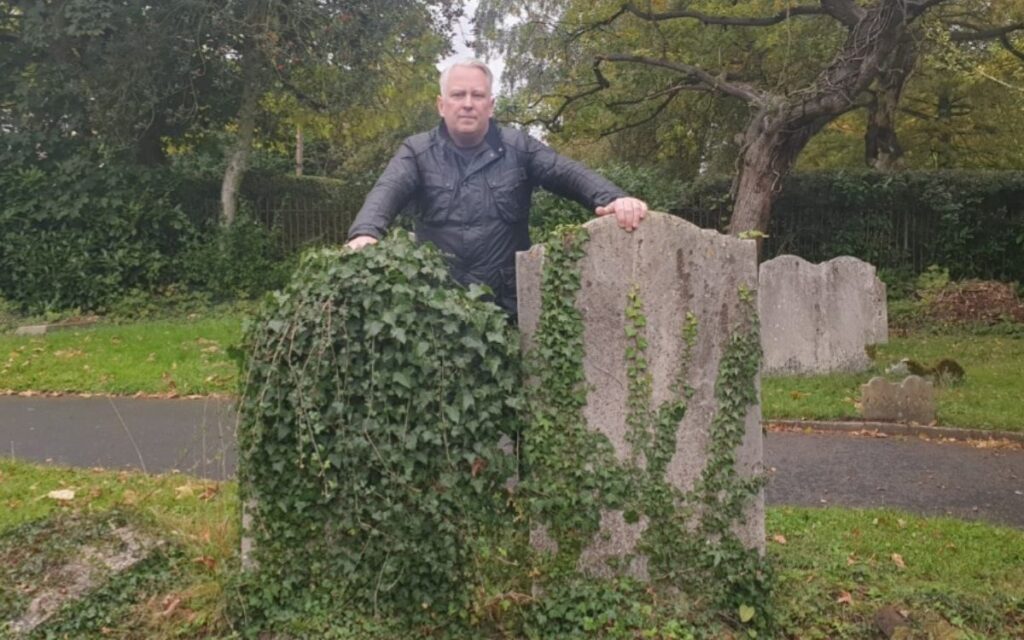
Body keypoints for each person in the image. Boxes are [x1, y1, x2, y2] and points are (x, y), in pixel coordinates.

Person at [346, 58, 648, 317]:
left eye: (477, 95)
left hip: (508, 309)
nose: (467, 103)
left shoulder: (518, 147)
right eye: (458, 94)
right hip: (437, 308)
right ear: (441, 105)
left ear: (490, 106)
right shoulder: (417, 151)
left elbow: (563, 171)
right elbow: (387, 189)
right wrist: (365, 233)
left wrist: (616, 198)